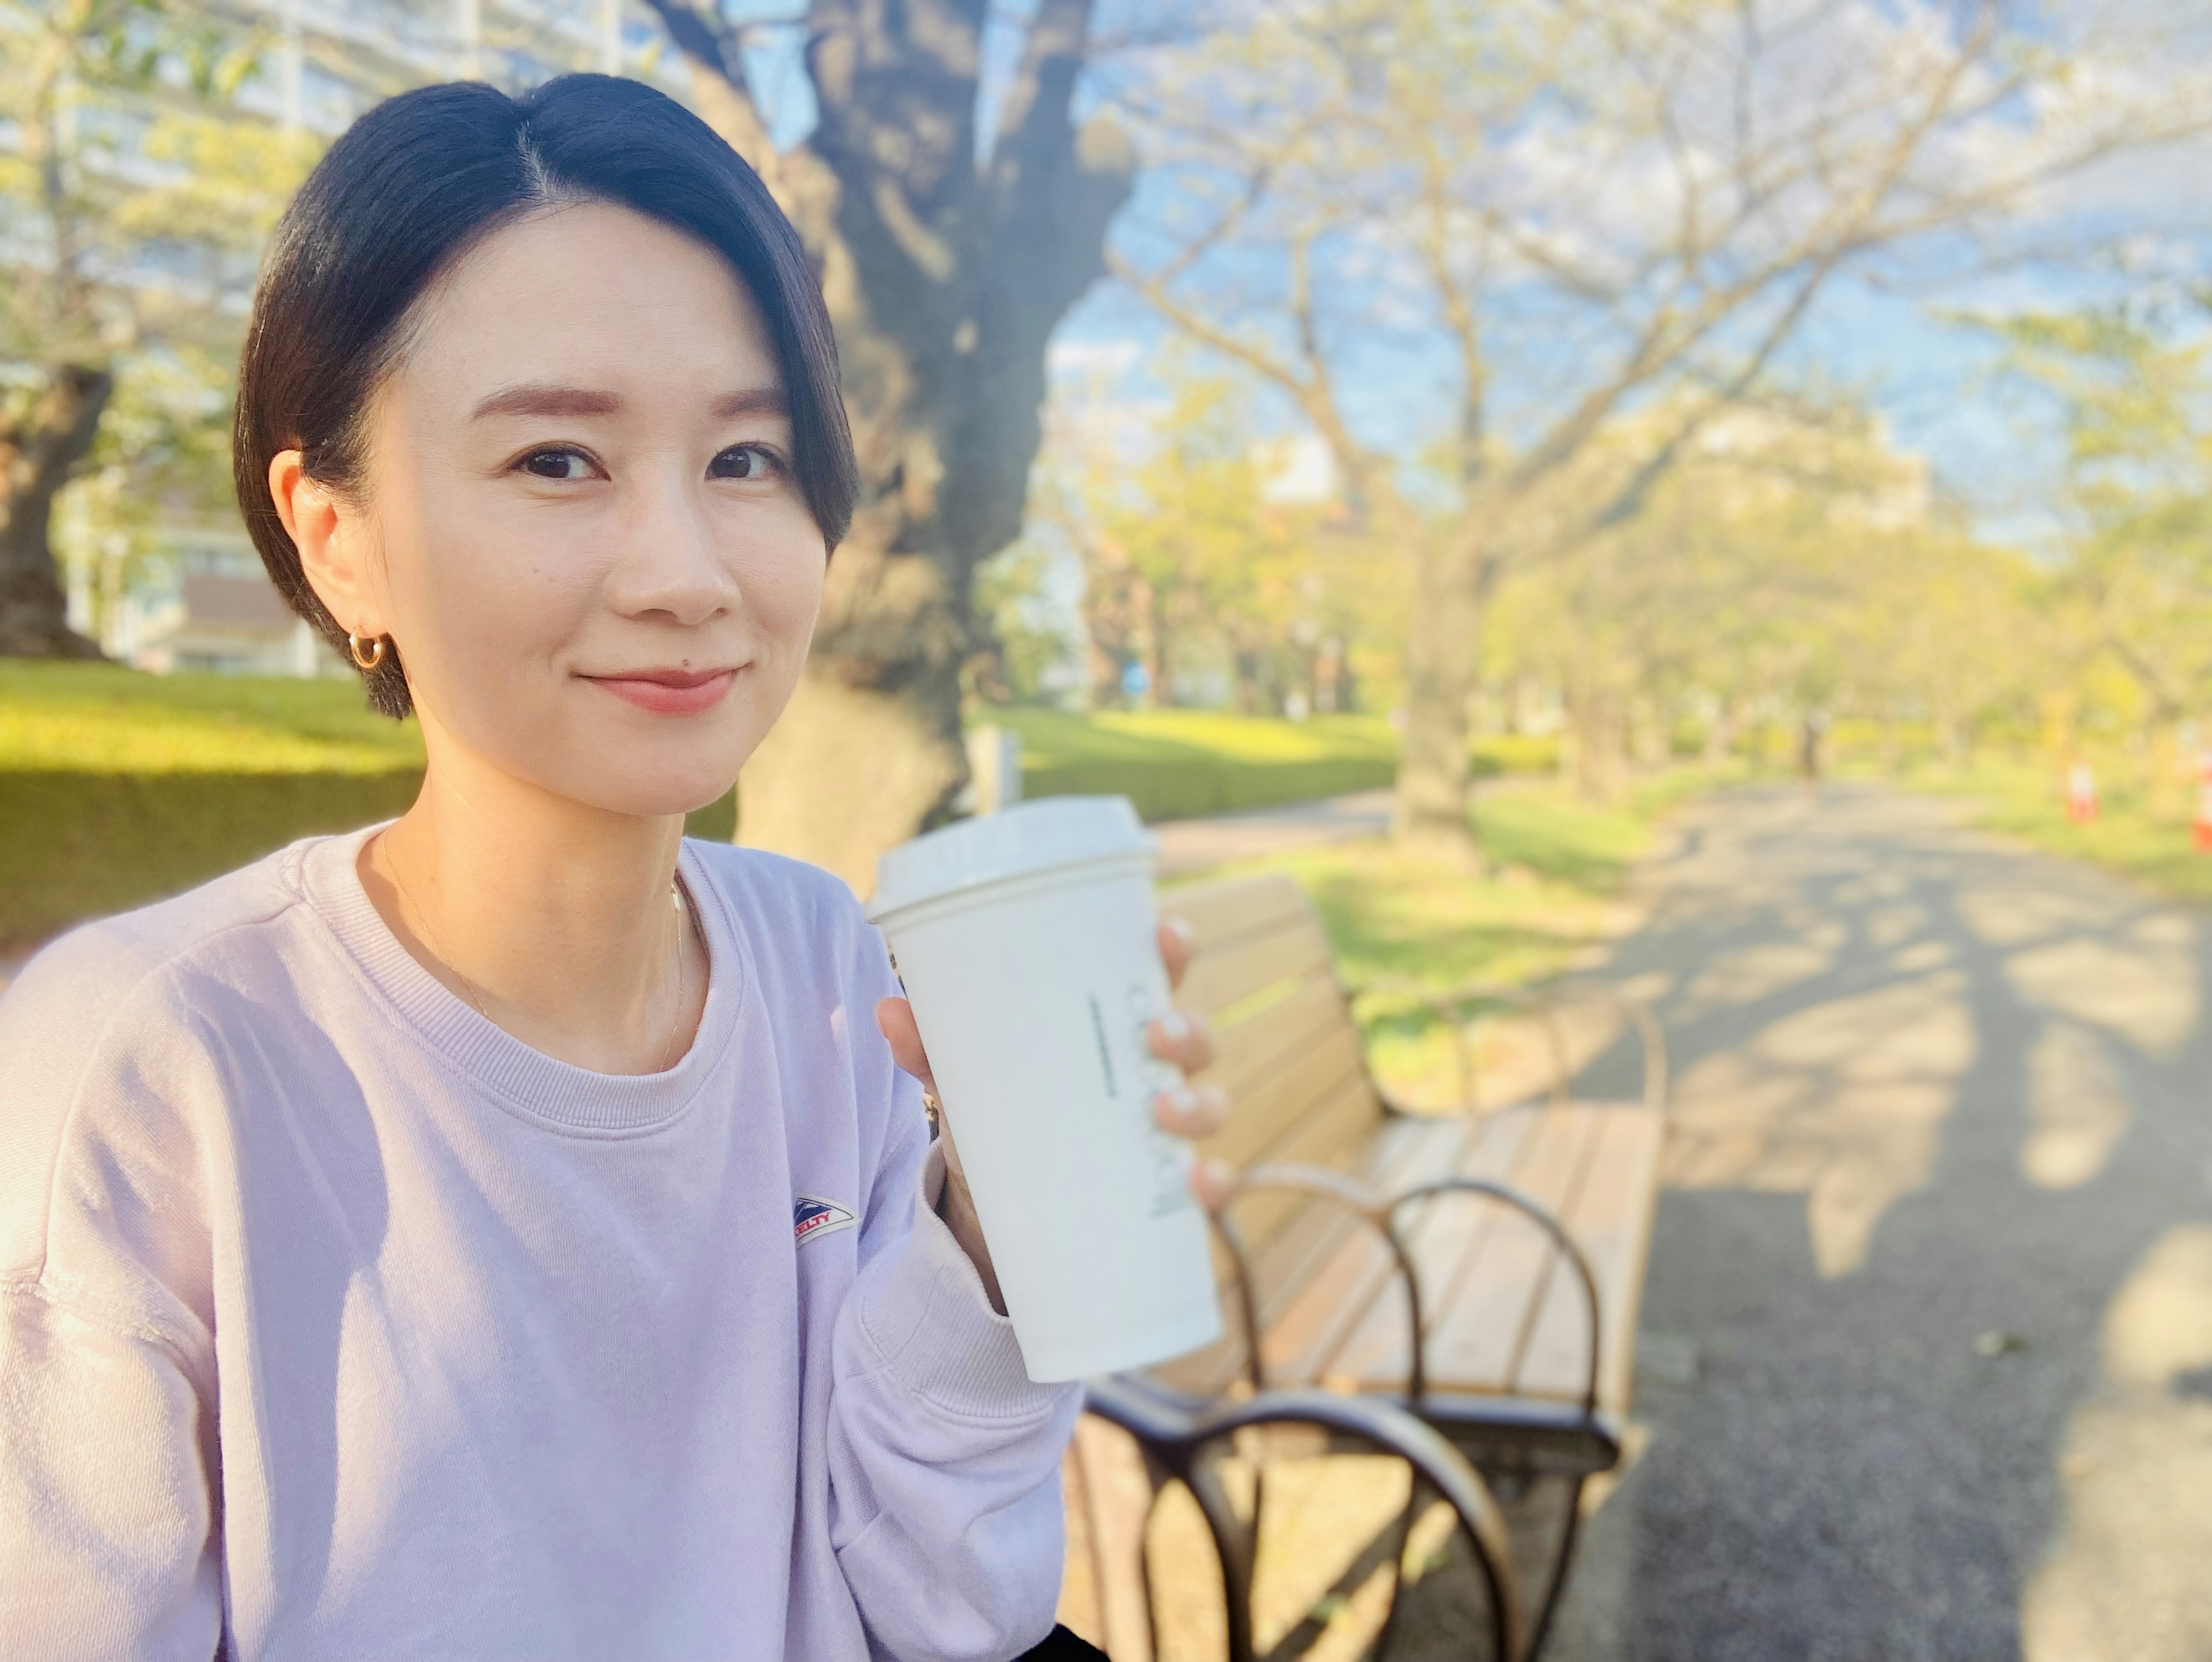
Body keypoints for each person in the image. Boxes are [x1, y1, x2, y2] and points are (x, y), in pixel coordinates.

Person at [0, 76, 1230, 1660]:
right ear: (333, 533)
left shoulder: (825, 967)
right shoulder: (140, 1064)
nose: (685, 574)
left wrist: (988, 1248)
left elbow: (940, 1614)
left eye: (748, 461)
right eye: (559, 463)